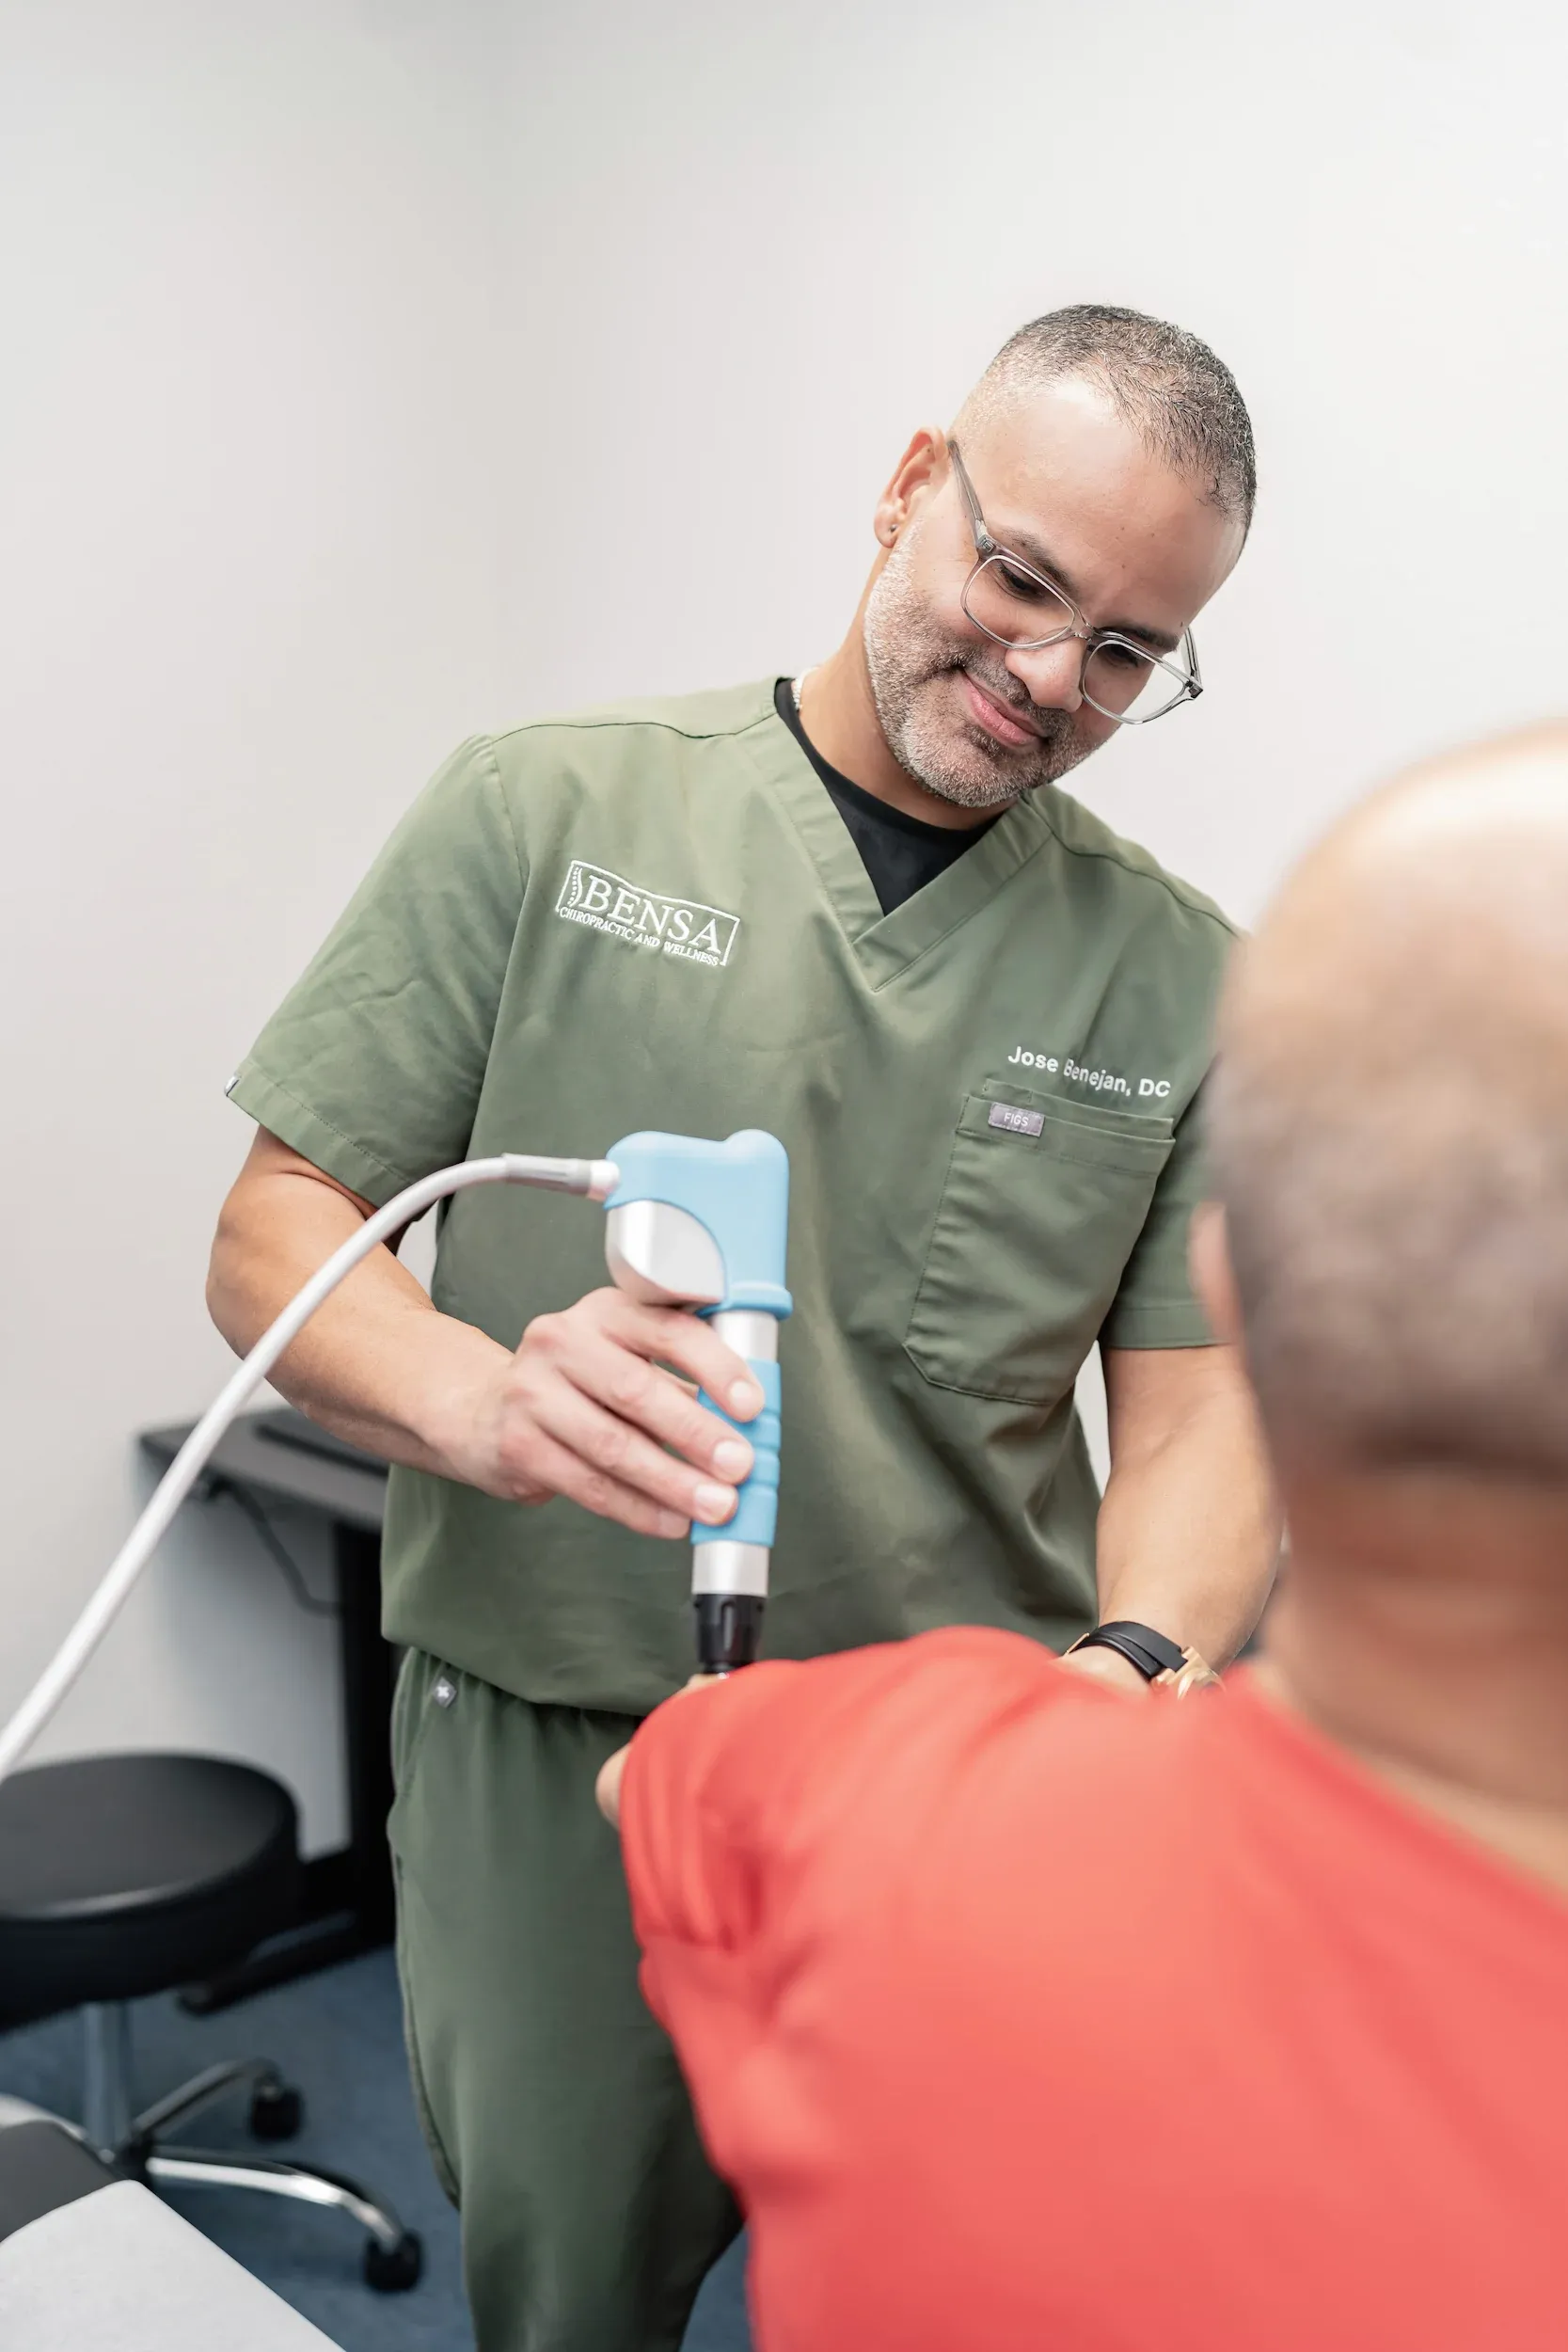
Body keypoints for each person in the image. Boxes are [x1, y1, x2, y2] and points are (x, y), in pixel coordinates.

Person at [206, 305, 1279, 2351]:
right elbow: (275, 1229)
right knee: (573, 2299)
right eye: (1021, 579)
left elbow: (1202, 1408)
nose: (1051, 677)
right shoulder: (546, 813)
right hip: (559, 1751)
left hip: (945, 1798)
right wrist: (490, 1399)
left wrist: (1137, 1654)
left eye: (1129, 650)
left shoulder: (1171, 978)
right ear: (904, 489)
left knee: (933, 2293)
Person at [600, 723, 1568, 2352]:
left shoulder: (876, 1795)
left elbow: (663, 1779)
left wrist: (1073, 1716)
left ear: (1238, 1297)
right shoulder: (548, 799)